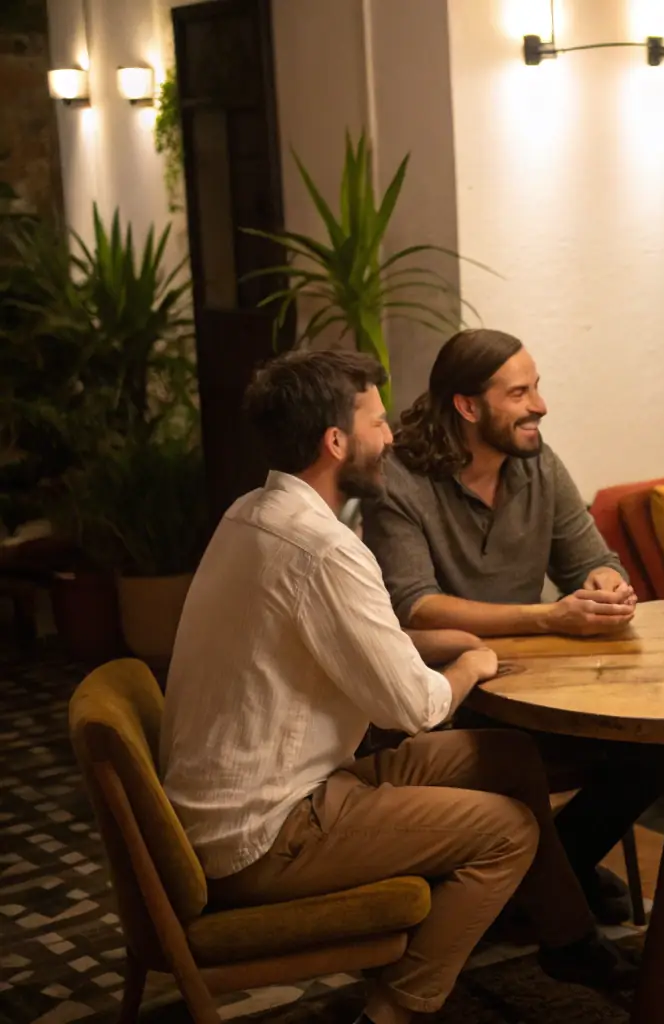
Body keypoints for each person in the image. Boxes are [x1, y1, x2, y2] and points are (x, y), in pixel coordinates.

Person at [160, 351, 635, 1024]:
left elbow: (360, 644)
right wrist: (475, 662)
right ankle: (393, 1012)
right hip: (267, 831)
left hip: (254, 795)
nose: (389, 437)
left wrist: (459, 645)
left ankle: (567, 941)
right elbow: (413, 707)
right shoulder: (326, 549)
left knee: (507, 759)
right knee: (508, 830)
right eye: (376, 422)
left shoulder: (251, 514)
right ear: (335, 442)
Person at [361, 328, 664, 922]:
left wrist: (607, 587)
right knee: (525, 760)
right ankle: (554, 887)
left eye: (538, 388)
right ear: (468, 406)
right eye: (520, 393)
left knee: (659, 749)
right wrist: (549, 616)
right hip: (446, 692)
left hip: (538, 682)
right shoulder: (398, 476)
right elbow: (415, 606)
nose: (540, 406)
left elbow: (592, 561)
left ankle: (550, 876)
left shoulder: (536, 462)